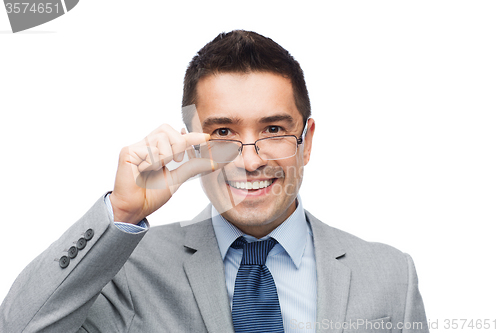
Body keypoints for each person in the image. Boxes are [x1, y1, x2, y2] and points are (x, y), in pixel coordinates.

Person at [0, 30, 429, 333]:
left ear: (307, 140)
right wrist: (122, 212)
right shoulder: (124, 268)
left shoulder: (392, 275)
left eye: (274, 130)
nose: (249, 160)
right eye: (222, 133)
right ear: (191, 144)